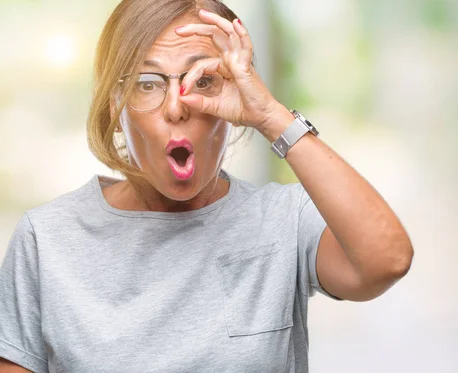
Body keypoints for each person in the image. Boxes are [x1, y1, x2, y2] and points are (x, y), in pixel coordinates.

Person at [0, 0, 413, 372]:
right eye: (148, 83)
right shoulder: (47, 239)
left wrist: (271, 115)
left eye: (202, 80)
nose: (177, 107)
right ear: (116, 105)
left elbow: (387, 260)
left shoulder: (282, 220)